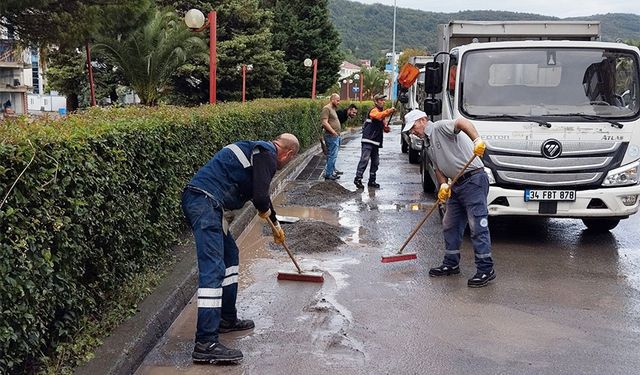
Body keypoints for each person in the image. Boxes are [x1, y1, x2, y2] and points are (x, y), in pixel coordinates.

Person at [181, 133, 299, 363]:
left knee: (230, 255)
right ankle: (205, 343)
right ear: (288, 153)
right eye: (289, 159)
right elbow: (261, 197)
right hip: (204, 202)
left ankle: (226, 319)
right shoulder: (267, 152)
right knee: (213, 269)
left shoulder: (258, 152)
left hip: (207, 203)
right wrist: (272, 220)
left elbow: (262, 197)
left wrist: (275, 224)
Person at [403, 109, 495, 288]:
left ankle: (486, 269)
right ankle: (451, 263)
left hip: (473, 179)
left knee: (477, 226)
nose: (412, 132)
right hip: (456, 184)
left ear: (423, 120)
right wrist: (443, 185)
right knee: (449, 224)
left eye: (413, 127)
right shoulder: (428, 144)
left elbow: (461, 122)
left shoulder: (439, 127)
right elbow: (438, 168)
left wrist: (477, 139)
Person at [353, 94, 395, 189]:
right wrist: (389, 111)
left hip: (375, 141)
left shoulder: (381, 113)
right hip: (368, 140)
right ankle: (358, 178)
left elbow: (382, 125)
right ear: (376, 101)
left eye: (383, 100)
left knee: (375, 162)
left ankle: (372, 180)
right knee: (365, 159)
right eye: (381, 100)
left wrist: (386, 128)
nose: (383, 102)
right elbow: (377, 116)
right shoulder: (374, 110)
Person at [320, 93, 342, 180]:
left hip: (335, 136)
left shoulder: (332, 109)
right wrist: (333, 132)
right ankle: (328, 174)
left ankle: (331, 172)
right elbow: (324, 122)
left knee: (333, 155)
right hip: (331, 136)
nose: (338, 102)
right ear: (332, 99)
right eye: (337, 100)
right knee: (332, 155)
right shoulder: (326, 108)